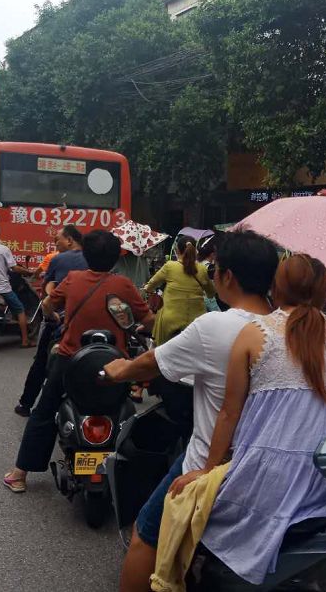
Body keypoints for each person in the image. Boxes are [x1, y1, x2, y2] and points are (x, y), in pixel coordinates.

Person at [103, 230, 280, 592]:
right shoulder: (290, 325)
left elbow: (152, 361)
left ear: (228, 276)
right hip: (267, 462)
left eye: (215, 268)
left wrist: (118, 370)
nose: (212, 274)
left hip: (211, 463)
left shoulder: (217, 325)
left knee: (146, 534)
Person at [166, 254, 326, 585]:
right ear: (324, 291)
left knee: (181, 510)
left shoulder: (255, 333)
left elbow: (229, 412)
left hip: (266, 481)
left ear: (275, 287)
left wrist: (207, 471)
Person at [3, 229, 155, 493]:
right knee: (126, 412)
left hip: (71, 361)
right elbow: (149, 320)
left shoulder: (73, 279)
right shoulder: (124, 285)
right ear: (115, 257)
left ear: (84, 254)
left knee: (43, 412)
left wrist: (59, 318)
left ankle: (19, 474)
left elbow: (48, 305)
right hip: (114, 366)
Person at [14, 226, 87, 417]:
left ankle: (26, 404)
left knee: (40, 363)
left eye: (57, 240)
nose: (55, 244)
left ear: (70, 240)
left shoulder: (58, 259)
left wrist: (51, 305)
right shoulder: (92, 258)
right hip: (87, 323)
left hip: (59, 320)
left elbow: (47, 287)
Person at [145, 236, 215, 346]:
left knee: (158, 351)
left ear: (177, 250)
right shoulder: (202, 269)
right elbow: (211, 294)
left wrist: (148, 290)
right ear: (195, 250)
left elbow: (150, 286)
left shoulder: (170, 266)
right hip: (196, 324)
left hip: (170, 323)